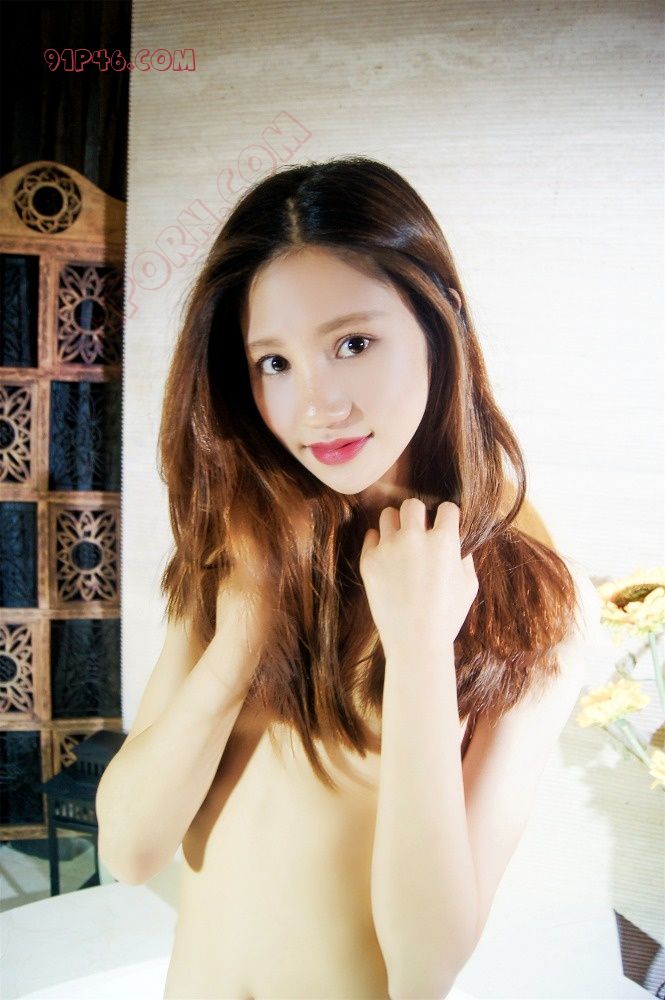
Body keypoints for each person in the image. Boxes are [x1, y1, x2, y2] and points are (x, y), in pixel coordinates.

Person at [96, 156, 602, 1000]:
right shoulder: (238, 548)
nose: (316, 406)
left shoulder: (531, 597)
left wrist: (418, 650)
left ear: (441, 324)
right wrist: (244, 635)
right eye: (274, 363)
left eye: (352, 344)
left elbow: (424, 968)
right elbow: (128, 851)